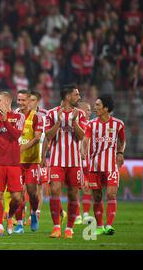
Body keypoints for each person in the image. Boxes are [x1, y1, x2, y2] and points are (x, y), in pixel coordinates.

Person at [43, 84, 86, 239]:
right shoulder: (51, 113)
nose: (78, 97)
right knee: (54, 190)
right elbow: (48, 136)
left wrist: (73, 123)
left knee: (73, 195)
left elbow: (82, 136)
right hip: (56, 160)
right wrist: (58, 123)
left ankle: (69, 229)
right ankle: (56, 228)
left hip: (74, 162)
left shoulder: (80, 114)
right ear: (68, 96)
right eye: (76, 95)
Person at [81, 95, 125, 235]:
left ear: (106, 108)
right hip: (95, 167)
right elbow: (85, 140)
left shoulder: (118, 124)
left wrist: (120, 152)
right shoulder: (91, 124)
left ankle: (109, 225)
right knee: (98, 196)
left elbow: (122, 141)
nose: (95, 107)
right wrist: (83, 151)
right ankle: (99, 226)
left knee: (111, 195)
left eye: (98, 105)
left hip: (111, 166)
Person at [0, 92, 25, 236]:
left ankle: (9, 216)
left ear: (7, 101)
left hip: (13, 164)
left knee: (17, 197)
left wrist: (6, 120)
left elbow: (16, 135)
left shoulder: (19, 116)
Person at [13, 90, 43, 234]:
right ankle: (19, 224)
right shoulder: (13, 116)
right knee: (18, 194)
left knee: (32, 193)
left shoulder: (36, 117)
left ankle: (34, 212)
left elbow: (37, 137)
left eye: (23, 100)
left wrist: (23, 147)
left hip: (31, 161)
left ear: (29, 101)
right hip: (16, 162)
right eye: (18, 100)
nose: (21, 103)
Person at [29, 90, 49, 224]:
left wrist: (44, 155)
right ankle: (25, 214)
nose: (29, 102)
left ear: (38, 101)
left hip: (40, 152)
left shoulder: (45, 114)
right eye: (28, 99)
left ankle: (36, 213)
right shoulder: (19, 113)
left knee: (39, 185)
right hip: (26, 153)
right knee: (26, 186)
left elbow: (48, 136)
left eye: (33, 100)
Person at [75, 101, 93, 225]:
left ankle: (85, 215)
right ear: (80, 110)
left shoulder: (92, 125)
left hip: (88, 163)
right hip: (76, 162)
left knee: (87, 188)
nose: (89, 112)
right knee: (75, 189)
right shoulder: (74, 124)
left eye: (90, 110)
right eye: (87, 109)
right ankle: (77, 215)